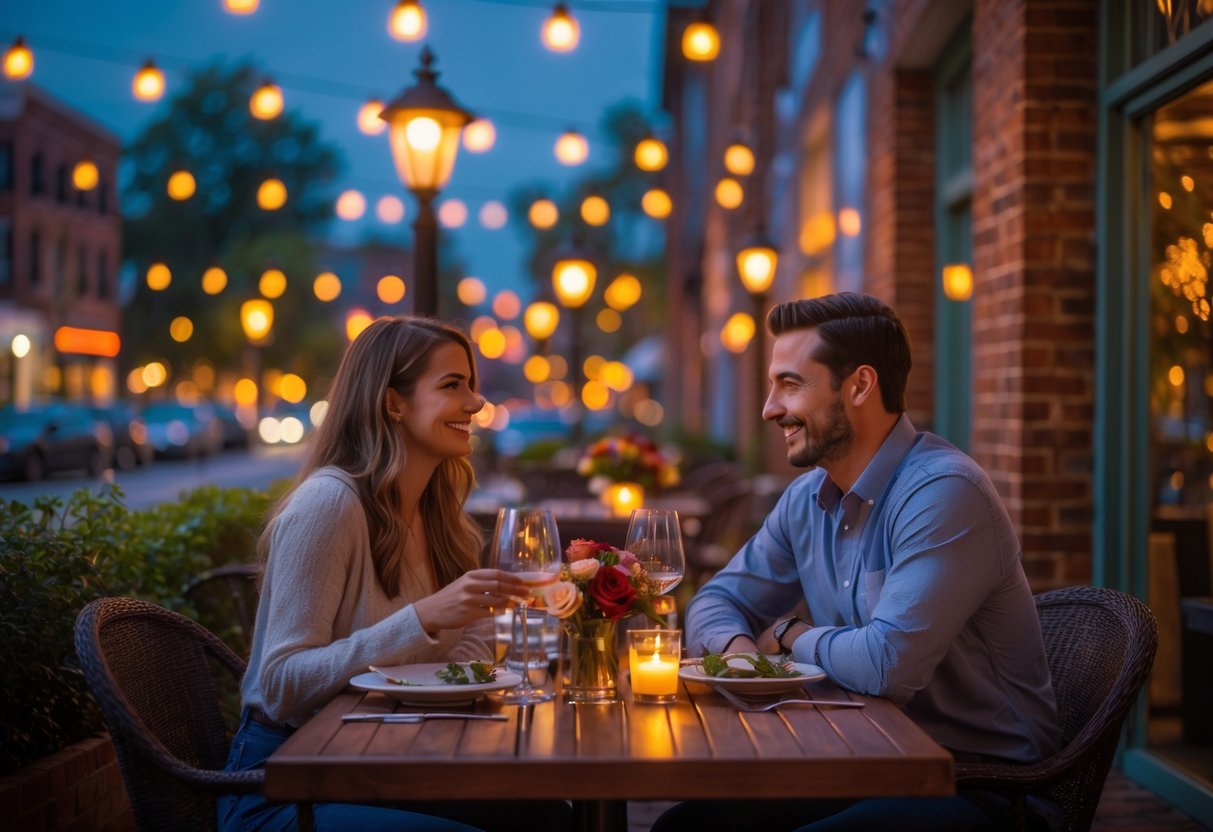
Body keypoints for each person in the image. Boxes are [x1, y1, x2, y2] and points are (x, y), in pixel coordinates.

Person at [654, 293, 1060, 832]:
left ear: (861, 386)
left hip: (980, 785)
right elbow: (716, 599)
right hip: (856, 759)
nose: (770, 408)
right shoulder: (806, 500)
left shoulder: (943, 493)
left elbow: (887, 666)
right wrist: (741, 656)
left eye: (790, 384)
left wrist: (793, 633)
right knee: (685, 828)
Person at [218, 317, 571, 832]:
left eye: (471, 386)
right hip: (282, 785)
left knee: (545, 817)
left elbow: (468, 645)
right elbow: (278, 686)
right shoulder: (329, 505)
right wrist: (421, 620)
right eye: (453, 386)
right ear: (393, 403)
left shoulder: (439, 513)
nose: (475, 404)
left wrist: (485, 637)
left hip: (382, 759)